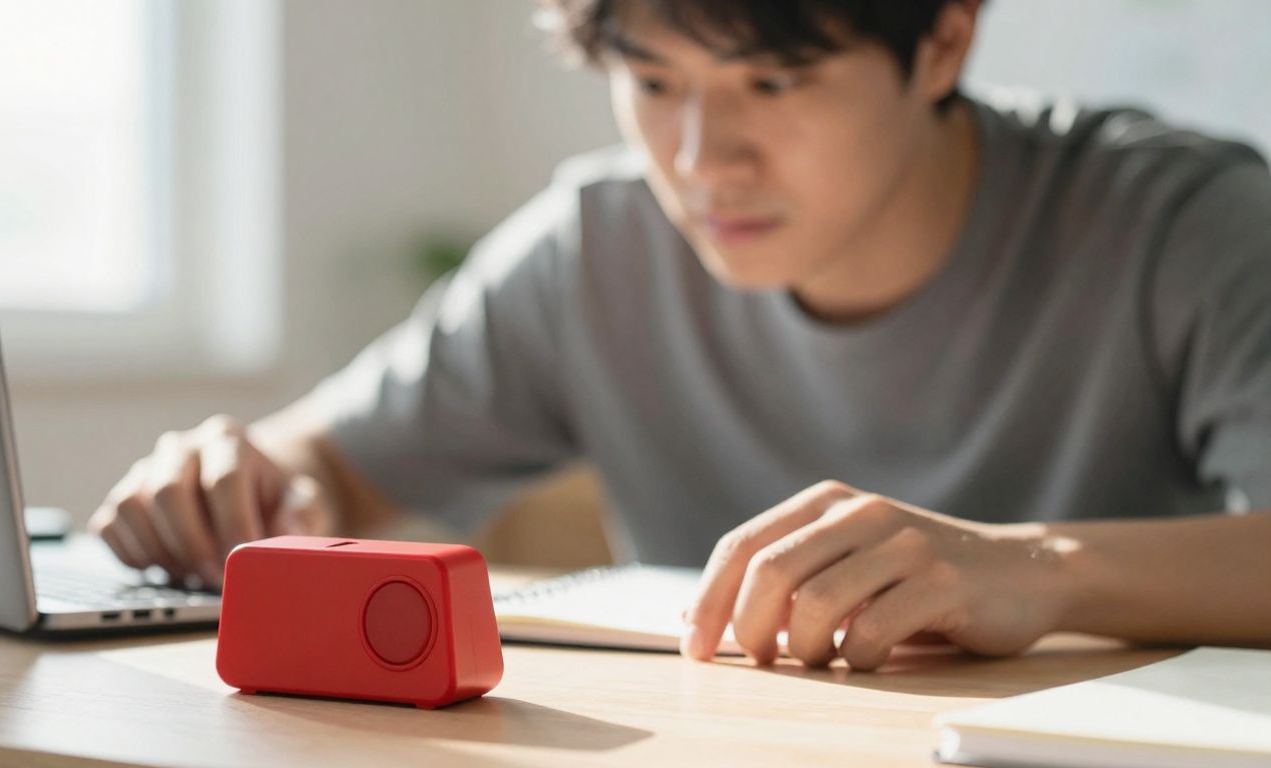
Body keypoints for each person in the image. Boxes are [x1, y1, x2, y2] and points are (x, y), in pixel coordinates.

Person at [89, 0, 1271, 671]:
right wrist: (240, 482)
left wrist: (1034, 568)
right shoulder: (596, 245)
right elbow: (325, 471)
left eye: (770, 83)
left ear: (946, 38)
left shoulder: (1180, 223)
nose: (703, 161)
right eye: (653, 83)